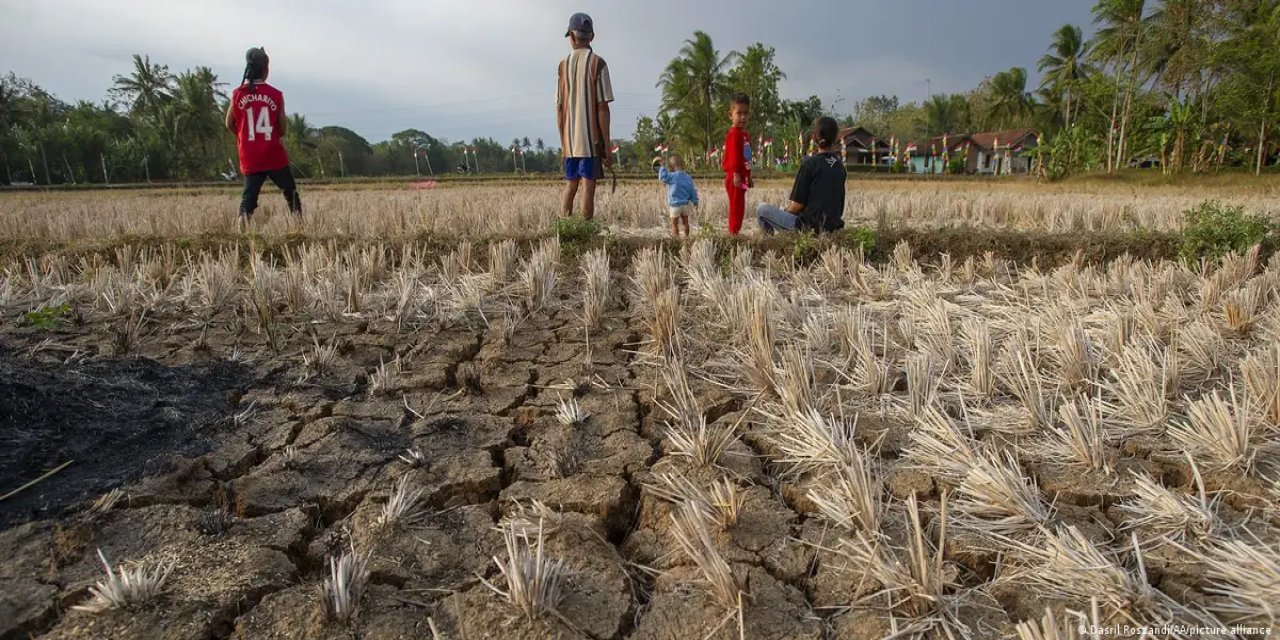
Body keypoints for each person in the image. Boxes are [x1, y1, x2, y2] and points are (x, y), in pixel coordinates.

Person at [224, 47, 301, 232]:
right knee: (291, 193)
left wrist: (244, 136)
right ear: (266, 70)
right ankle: (299, 229)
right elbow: (282, 128)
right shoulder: (276, 95)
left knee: (248, 200)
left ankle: (242, 235)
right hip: (273, 154)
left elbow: (229, 123)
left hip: (250, 156)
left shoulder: (237, 94)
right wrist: (270, 137)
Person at [556, 12, 614, 221]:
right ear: (592, 37)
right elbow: (602, 107)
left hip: (570, 141)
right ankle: (585, 230)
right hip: (590, 141)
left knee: (571, 184)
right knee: (588, 184)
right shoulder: (598, 64)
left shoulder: (562, 66)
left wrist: (564, 142)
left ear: (572, 37)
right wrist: (606, 145)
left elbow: (559, 108)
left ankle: (564, 227)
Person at [756, 116, 846, 235]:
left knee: (761, 209)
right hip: (833, 228)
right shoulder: (840, 167)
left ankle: (769, 241)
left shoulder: (809, 164)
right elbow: (839, 207)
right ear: (835, 138)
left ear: (814, 138)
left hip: (808, 228)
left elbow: (798, 205)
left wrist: (785, 211)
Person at [722, 93, 753, 236]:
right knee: (736, 205)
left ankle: (736, 230)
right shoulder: (734, 134)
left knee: (740, 204)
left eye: (745, 113)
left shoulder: (744, 135)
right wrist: (735, 173)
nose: (743, 117)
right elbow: (734, 155)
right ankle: (733, 232)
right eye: (739, 113)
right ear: (730, 115)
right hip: (735, 178)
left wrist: (749, 176)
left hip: (741, 178)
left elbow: (746, 158)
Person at [654, 153, 698, 238]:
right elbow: (692, 190)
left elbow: (662, 177)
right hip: (685, 204)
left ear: (671, 167)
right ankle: (686, 238)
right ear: (682, 165)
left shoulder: (672, 176)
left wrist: (662, 167)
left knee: (674, 223)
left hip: (675, 205)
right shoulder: (687, 177)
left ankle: (676, 239)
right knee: (685, 222)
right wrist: (695, 201)